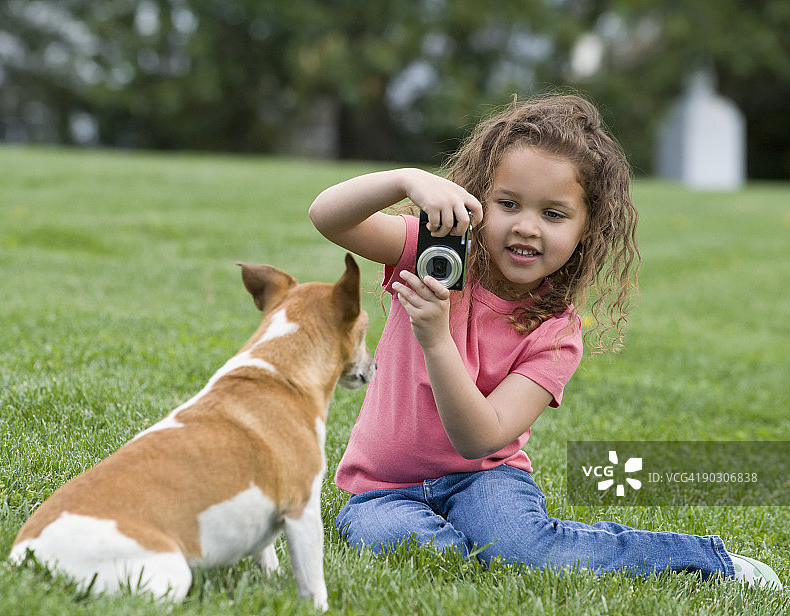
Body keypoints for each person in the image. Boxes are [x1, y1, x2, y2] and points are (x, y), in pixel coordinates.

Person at [308, 94, 781, 589]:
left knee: (523, 548)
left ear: (587, 229)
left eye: (554, 214)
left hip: (484, 478)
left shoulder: (555, 330)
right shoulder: (434, 253)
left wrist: (436, 341)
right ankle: (470, 540)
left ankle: (705, 560)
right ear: (478, 200)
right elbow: (327, 216)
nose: (526, 227)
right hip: (384, 490)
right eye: (507, 204)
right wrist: (406, 179)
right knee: (416, 550)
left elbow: (480, 438)